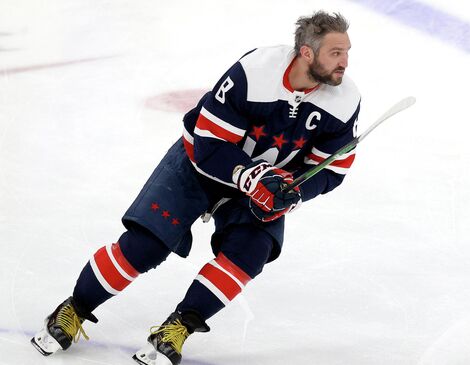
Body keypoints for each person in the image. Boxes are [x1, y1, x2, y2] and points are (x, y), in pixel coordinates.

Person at [30, 10, 360, 365]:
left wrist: (293, 193)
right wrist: (251, 177)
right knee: (145, 246)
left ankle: (177, 328)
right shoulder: (255, 73)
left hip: (260, 187)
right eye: (335, 53)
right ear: (306, 53)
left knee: (249, 254)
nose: (344, 62)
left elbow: (330, 170)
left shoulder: (343, 100)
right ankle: (73, 308)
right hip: (199, 166)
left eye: (347, 52)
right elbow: (209, 144)